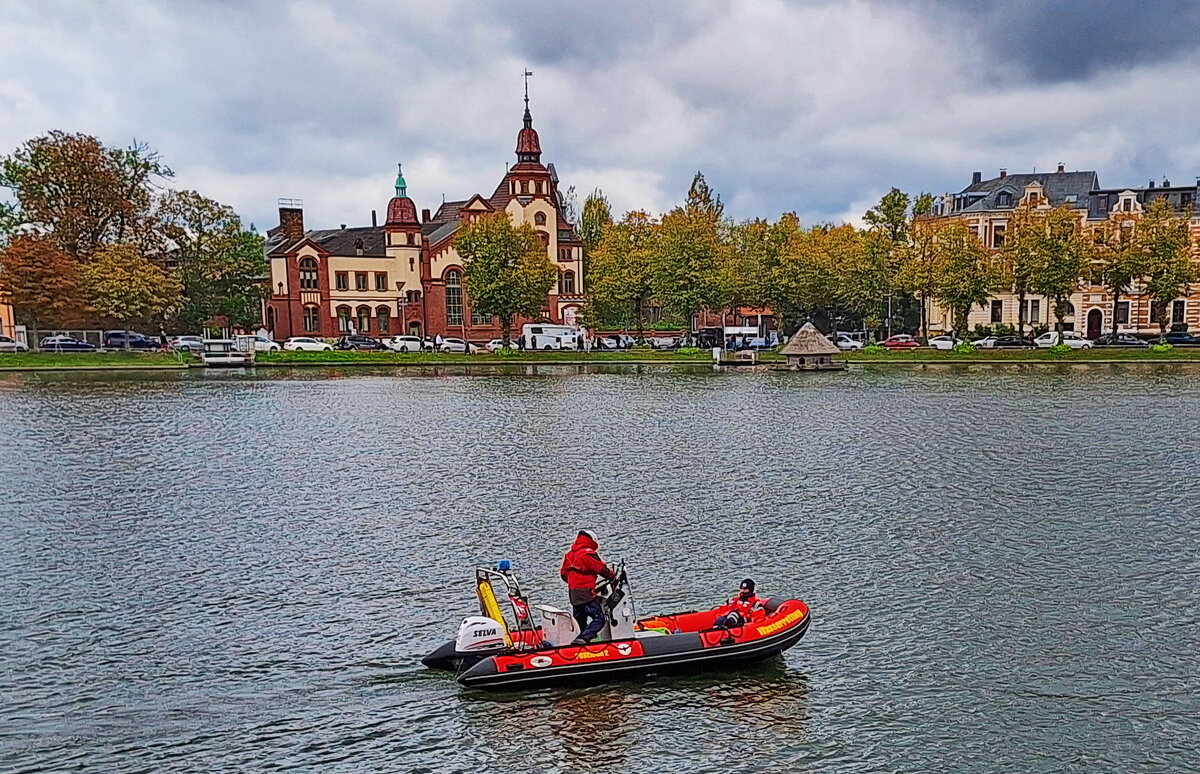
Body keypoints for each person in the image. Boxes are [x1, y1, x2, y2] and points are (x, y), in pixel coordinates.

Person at [559, 529, 617, 645]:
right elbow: (601, 569)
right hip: (585, 593)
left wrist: (573, 582)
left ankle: (581, 641)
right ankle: (584, 639)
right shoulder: (587, 554)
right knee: (599, 618)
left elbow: (563, 574)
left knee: (580, 619)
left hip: (573, 593)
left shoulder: (570, 554)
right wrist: (613, 576)